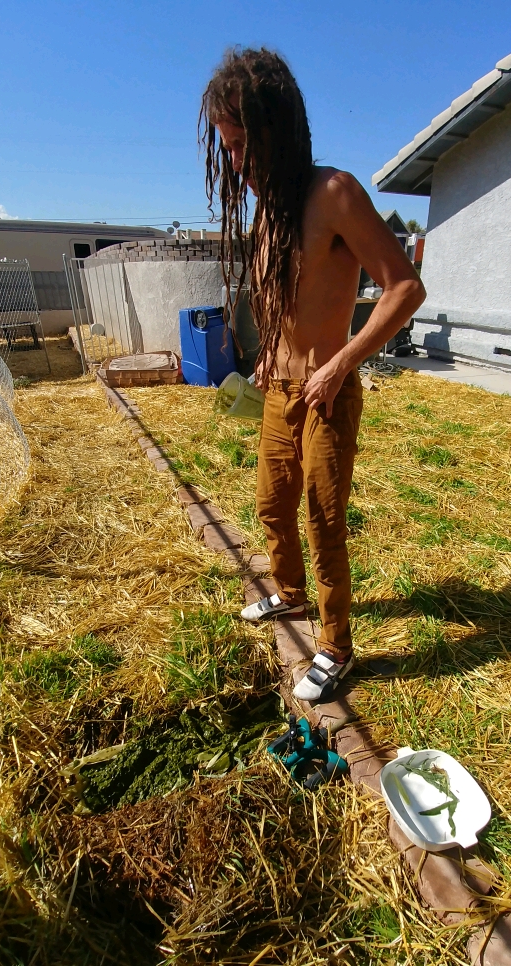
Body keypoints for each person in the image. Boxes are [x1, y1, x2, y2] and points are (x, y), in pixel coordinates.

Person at [199, 48, 426, 701]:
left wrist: (339, 364)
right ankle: (290, 593)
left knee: (323, 521)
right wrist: (269, 351)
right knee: (272, 505)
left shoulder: (335, 193)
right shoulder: (269, 209)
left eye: (241, 146)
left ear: (275, 129)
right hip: (278, 389)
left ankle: (335, 646)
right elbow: (287, 300)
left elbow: (404, 287)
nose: (236, 163)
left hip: (327, 392)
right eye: (227, 150)